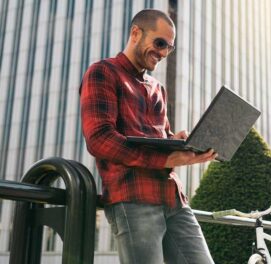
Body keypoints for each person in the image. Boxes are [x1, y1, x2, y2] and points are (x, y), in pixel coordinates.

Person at [80, 9, 216, 264]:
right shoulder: (103, 72)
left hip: (173, 198)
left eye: (170, 48)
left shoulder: (158, 88)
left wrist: (182, 143)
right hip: (133, 200)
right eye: (160, 43)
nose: (164, 53)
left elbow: (161, 139)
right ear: (135, 33)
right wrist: (165, 160)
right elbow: (99, 139)